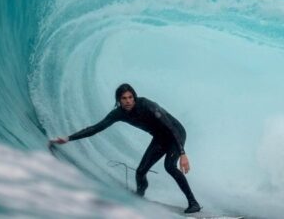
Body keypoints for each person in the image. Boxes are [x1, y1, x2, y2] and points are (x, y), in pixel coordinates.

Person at [49, 83, 201, 214]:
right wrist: (68, 138)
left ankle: (193, 203)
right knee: (141, 171)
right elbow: (96, 128)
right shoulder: (119, 113)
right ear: (119, 100)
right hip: (160, 137)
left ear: (134, 97)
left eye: (130, 97)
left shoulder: (147, 105)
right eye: (124, 98)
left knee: (169, 166)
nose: (128, 101)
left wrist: (182, 153)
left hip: (175, 133)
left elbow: (169, 126)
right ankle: (139, 197)